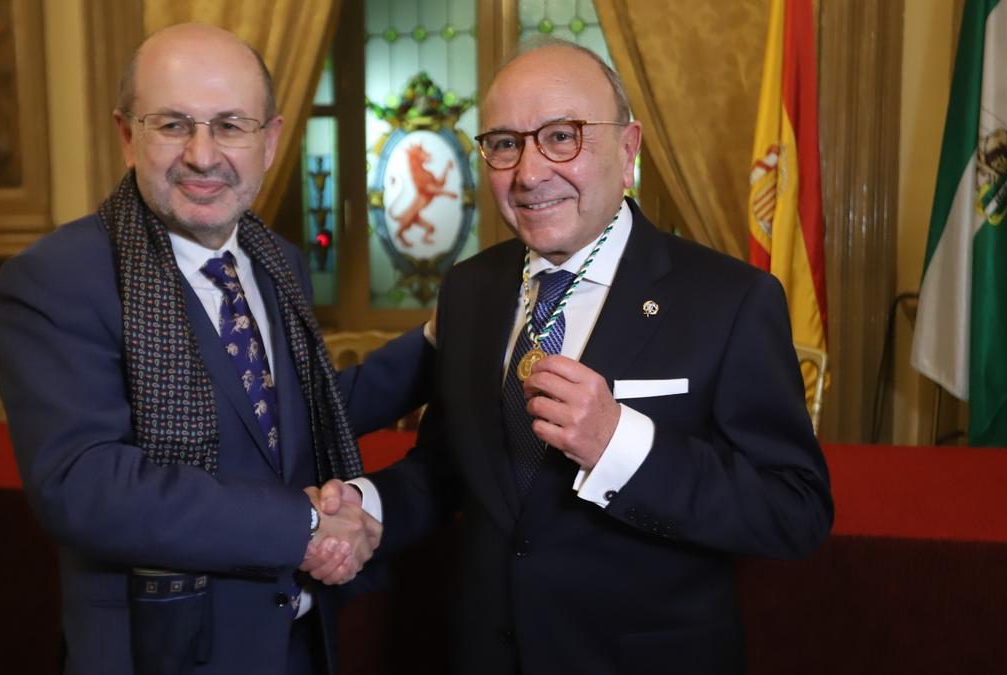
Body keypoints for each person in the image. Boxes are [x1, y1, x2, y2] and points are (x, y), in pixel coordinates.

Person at [321, 39, 834, 674]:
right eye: (506, 143)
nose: (530, 173)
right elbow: (450, 468)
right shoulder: (470, 288)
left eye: (562, 136)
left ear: (628, 150)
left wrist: (620, 444)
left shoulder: (730, 300)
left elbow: (794, 511)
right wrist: (369, 508)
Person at [0, 23, 431, 675]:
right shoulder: (58, 276)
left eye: (230, 125)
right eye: (173, 124)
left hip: (298, 646)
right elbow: (86, 485)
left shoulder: (275, 259)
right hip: (162, 655)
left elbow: (285, 416)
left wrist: (438, 342)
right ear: (125, 134)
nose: (203, 155)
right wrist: (303, 524)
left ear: (271, 139)